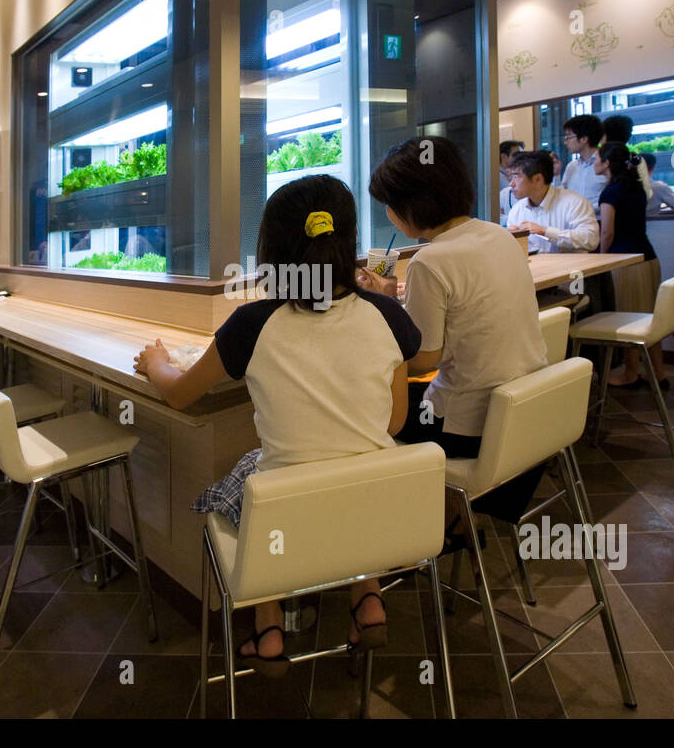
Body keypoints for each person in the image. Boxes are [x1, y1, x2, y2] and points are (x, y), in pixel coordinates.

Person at [134, 174, 419, 676]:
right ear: (347, 243)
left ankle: (268, 628)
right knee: (355, 461)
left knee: (253, 470)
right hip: (379, 513)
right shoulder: (388, 314)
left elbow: (179, 393)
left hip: (288, 522)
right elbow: (395, 419)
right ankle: (367, 597)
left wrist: (156, 359)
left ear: (271, 250)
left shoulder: (252, 324)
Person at [358, 136, 548, 525]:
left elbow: (424, 359)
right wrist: (397, 302)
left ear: (411, 205)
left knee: (366, 410)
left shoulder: (431, 260)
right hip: (525, 415)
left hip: (469, 426)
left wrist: (381, 310)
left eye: (390, 205)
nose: (389, 214)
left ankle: (403, 531)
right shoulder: (499, 236)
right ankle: (444, 518)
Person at [594, 144, 666, 389]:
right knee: (650, 319)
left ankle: (631, 373)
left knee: (628, 319)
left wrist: (602, 260)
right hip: (647, 257)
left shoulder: (610, 192)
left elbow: (607, 232)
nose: (594, 162)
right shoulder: (637, 188)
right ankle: (658, 372)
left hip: (624, 262)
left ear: (606, 164)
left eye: (597, 158)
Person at [506, 149, 599, 253]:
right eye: (511, 178)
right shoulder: (517, 210)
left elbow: (591, 239)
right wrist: (511, 239)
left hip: (571, 268)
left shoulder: (574, 202)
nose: (511, 184)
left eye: (516, 177)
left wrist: (545, 231)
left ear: (538, 179)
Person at [559, 115, 606, 209]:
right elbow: (562, 195)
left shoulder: (606, 164)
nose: (565, 142)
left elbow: (613, 200)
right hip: (574, 221)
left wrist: (581, 210)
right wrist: (556, 175)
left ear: (584, 139)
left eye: (568, 137)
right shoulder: (571, 166)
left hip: (599, 221)